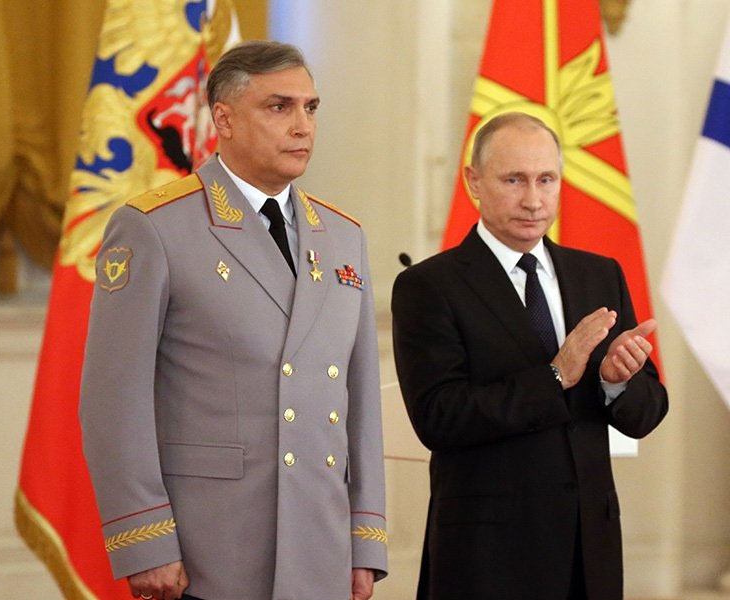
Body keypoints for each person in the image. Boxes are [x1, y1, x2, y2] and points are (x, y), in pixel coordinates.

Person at [79, 41, 388, 600]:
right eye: (279, 107)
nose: (302, 126)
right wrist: (145, 541)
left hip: (320, 544)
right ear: (223, 119)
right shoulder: (156, 228)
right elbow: (114, 400)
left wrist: (365, 540)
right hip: (211, 547)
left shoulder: (344, 236)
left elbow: (361, 400)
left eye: (311, 108)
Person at [391, 112, 667, 600]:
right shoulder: (429, 286)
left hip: (589, 550)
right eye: (514, 180)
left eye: (546, 180)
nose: (534, 200)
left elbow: (646, 412)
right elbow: (439, 417)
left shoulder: (599, 274)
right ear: (474, 181)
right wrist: (556, 375)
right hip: (487, 555)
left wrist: (617, 381)